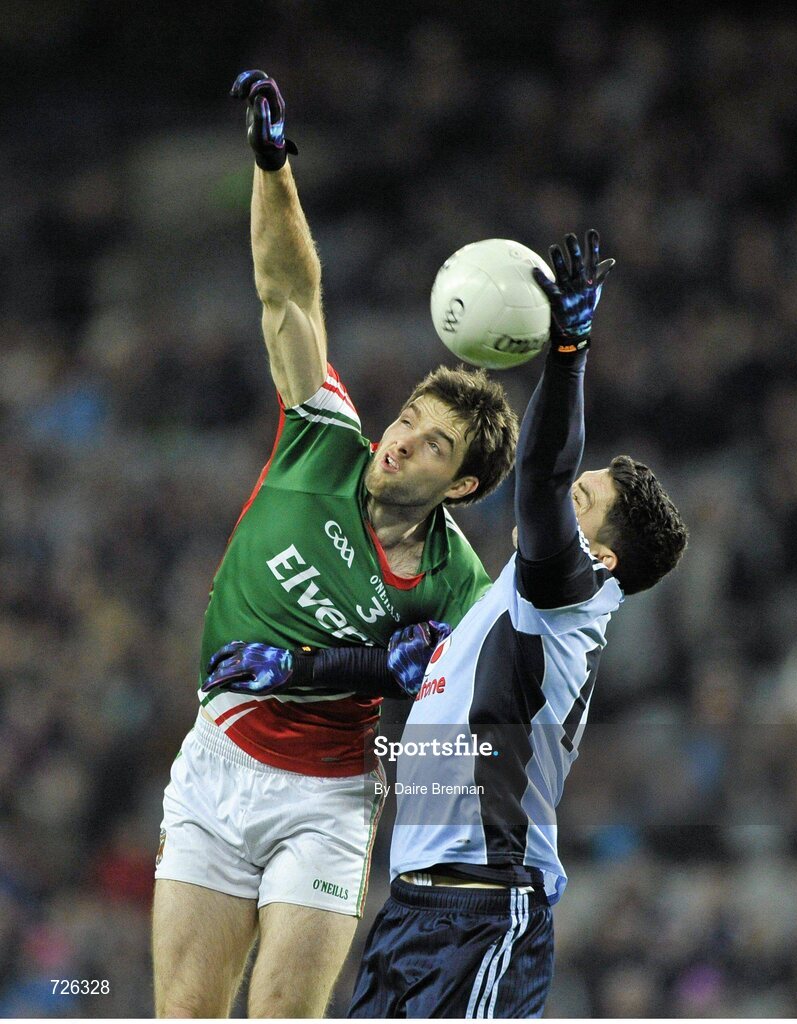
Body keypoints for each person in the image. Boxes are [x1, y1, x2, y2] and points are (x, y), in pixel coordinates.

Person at [207, 229, 689, 1017]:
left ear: (602, 559)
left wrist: (568, 347)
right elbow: (402, 671)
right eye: (580, 488)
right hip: (414, 913)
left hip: (485, 909)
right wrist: (289, 671)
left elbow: (538, 475)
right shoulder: (497, 616)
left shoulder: (567, 603)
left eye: (584, 501)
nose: (566, 502)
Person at [151, 70, 519, 1019]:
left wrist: (418, 697)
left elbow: (474, 738)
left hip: (330, 800)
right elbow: (286, 291)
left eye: (434, 444)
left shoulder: (456, 585)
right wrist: (273, 165)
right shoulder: (321, 436)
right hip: (219, 762)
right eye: (408, 417)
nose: (400, 438)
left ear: (464, 486)